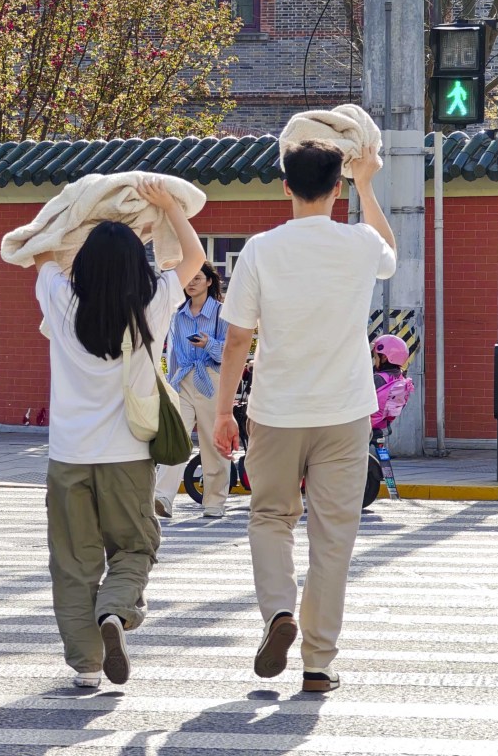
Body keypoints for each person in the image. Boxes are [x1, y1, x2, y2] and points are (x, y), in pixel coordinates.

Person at [213, 142, 396, 693]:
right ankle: (317, 663)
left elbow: (238, 339)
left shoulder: (261, 250)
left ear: (285, 186)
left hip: (275, 410)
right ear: (336, 188)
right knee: (333, 535)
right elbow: (391, 253)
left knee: (270, 516)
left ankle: (277, 613)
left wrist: (224, 411)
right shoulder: (361, 243)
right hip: (344, 412)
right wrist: (368, 184)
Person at [29, 177, 206, 689]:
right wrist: (169, 206)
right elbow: (192, 257)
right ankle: (115, 609)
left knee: (72, 561)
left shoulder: (59, 300)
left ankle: (86, 666)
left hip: (68, 456)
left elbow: (43, 242)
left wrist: (80, 211)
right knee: (134, 547)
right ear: (137, 265)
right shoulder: (152, 304)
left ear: (82, 266)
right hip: (128, 455)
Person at [153, 262, 230, 519]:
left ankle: (215, 502)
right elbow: (173, 352)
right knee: (176, 439)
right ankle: (163, 496)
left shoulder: (221, 313)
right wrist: (168, 382)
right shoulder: (177, 314)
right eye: (189, 278)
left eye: (198, 278)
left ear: (209, 281)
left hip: (211, 379)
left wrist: (209, 344)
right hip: (182, 379)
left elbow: (229, 353)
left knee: (212, 442)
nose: (192, 283)